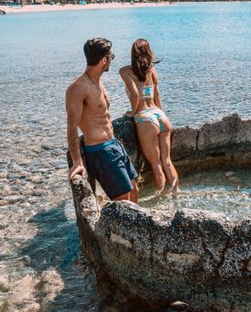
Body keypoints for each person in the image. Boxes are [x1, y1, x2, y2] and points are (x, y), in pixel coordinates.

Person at [66, 37, 139, 202]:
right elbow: (72, 127)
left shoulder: (99, 83)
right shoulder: (77, 88)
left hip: (114, 145)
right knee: (123, 201)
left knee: (134, 191)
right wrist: (77, 161)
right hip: (100, 151)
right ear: (104, 60)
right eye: (111, 57)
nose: (111, 61)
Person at [119, 38, 178, 194]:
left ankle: (161, 196)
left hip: (145, 117)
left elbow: (134, 94)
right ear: (149, 52)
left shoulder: (125, 71)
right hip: (160, 115)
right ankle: (176, 190)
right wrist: (162, 115)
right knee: (167, 160)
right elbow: (157, 94)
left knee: (156, 163)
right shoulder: (153, 71)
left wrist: (132, 112)